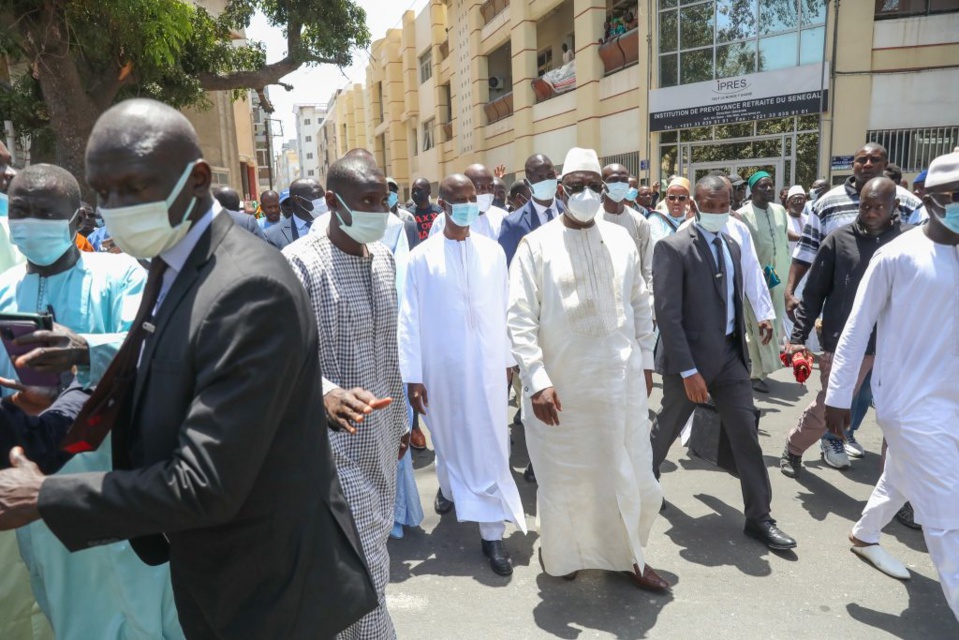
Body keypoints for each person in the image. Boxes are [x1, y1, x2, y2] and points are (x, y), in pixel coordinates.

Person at [0, 99, 377, 638]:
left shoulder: (247, 286)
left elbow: (205, 482)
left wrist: (43, 496)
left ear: (197, 178)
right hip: (210, 570)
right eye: (103, 192)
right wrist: (64, 396)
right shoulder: (174, 263)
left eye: (132, 187)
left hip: (266, 587)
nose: (115, 206)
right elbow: (160, 374)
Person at [0, 164, 162, 640]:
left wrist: (86, 349)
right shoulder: (4, 286)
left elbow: (147, 347)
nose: (30, 221)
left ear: (78, 217)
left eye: (46, 212)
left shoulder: (119, 274)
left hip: (107, 470)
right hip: (31, 470)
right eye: (21, 210)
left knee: (134, 603)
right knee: (58, 603)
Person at [508, 147, 667, 591]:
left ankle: (631, 556)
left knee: (636, 478)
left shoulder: (620, 239)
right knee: (569, 484)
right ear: (561, 190)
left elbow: (640, 302)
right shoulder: (535, 245)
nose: (586, 193)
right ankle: (564, 556)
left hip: (620, 386)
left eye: (593, 186)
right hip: (562, 393)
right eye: (576, 186)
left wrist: (647, 359)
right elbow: (519, 318)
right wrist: (537, 381)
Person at [825, 151, 959, 621]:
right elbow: (856, 328)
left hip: (952, 401)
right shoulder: (897, 254)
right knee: (949, 518)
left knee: (900, 475)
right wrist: (837, 397)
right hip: (909, 405)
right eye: (956, 197)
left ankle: (864, 535)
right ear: (927, 198)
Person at [283, 154, 407, 639]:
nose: (380, 210)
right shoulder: (300, 264)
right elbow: (279, 355)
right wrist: (326, 392)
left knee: (368, 558)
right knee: (364, 569)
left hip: (379, 441)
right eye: (367, 201)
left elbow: (389, 352)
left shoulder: (384, 259)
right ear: (332, 202)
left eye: (384, 200)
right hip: (329, 451)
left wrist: (399, 423)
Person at [651, 175, 795, 551]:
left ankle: (759, 517)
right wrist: (688, 372)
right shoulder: (674, 247)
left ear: (731, 202)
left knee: (745, 434)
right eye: (709, 206)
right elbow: (668, 317)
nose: (717, 212)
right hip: (689, 363)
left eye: (723, 205)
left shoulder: (733, 242)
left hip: (730, 359)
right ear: (696, 206)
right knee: (665, 430)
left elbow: (742, 286)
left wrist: (762, 315)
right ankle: (642, 488)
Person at [399, 173, 525, 575]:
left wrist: (508, 359)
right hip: (443, 369)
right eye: (461, 198)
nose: (470, 204)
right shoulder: (422, 258)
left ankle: (492, 535)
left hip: (488, 367)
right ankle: (451, 489)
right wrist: (414, 376)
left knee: (491, 444)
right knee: (449, 436)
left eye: (474, 197)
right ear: (444, 204)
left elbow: (506, 309)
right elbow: (410, 320)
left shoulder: (491, 252)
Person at [780, 177, 907, 478]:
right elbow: (813, 294)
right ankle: (795, 446)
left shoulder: (910, 241)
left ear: (895, 206)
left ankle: (897, 488)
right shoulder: (839, 240)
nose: (872, 212)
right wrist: (797, 337)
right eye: (865, 206)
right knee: (830, 406)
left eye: (879, 206)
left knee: (898, 419)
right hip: (846, 343)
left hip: (896, 344)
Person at [786, 143, 921, 319]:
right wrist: (789, 291)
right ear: (853, 165)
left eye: (875, 160)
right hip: (841, 308)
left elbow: (924, 253)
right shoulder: (827, 203)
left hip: (894, 307)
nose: (868, 164)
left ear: (886, 164)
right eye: (862, 160)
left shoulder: (908, 203)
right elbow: (806, 251)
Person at [737, 171, 790, 393]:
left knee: (774, 322)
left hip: (780, 275)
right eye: (762, 186)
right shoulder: (743, 214)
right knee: (757, 323)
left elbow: (785, 239)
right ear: (752, 190)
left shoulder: (780, 211)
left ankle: (762, 367)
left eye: (770, 186)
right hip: (756, 278)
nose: (768, 190)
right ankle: (757, 373)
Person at [498, 153, 565, 265]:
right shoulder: (512, 224)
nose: (546, 181)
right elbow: (508, 267)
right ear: (527, 183)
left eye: (550, 175)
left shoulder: (569, 211)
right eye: (540, 178)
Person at [601, 163, 653, 294]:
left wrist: (650, 305)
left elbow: (648, 268)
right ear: (602, 184)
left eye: (624, 180)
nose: (619, 184)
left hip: (632, 297)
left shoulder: (639, 222)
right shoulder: (592, 219)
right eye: (613, 180)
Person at [429, 164, 507, 240]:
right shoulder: (444, 220)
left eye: (490, 187)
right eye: (481, 187)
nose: (487, 192)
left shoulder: (503, 217)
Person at [265, 178, 326, 250]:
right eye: (317, 196)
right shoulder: (272, 235)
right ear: (298, 200)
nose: (322, 200)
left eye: (323, 195)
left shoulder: (333, 225)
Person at [648, 177, 691, 245]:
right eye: (672, 198)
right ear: (666, 200)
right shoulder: (656, 218)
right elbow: (659, 246)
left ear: (688, 201)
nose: (676, 202)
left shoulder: (692, 220)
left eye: (681, 198)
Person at [387, 177, 419, 250]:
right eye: (387, 190)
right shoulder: (377, 218)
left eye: (392, 191)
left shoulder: (407, 216)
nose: (389, 194)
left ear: (396, 196)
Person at [410, 178, 443, 242]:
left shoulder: (439, 212)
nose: (415, 193)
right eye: (413, 190)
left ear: (429, 192)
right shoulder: (408, 214)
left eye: (419, 190)